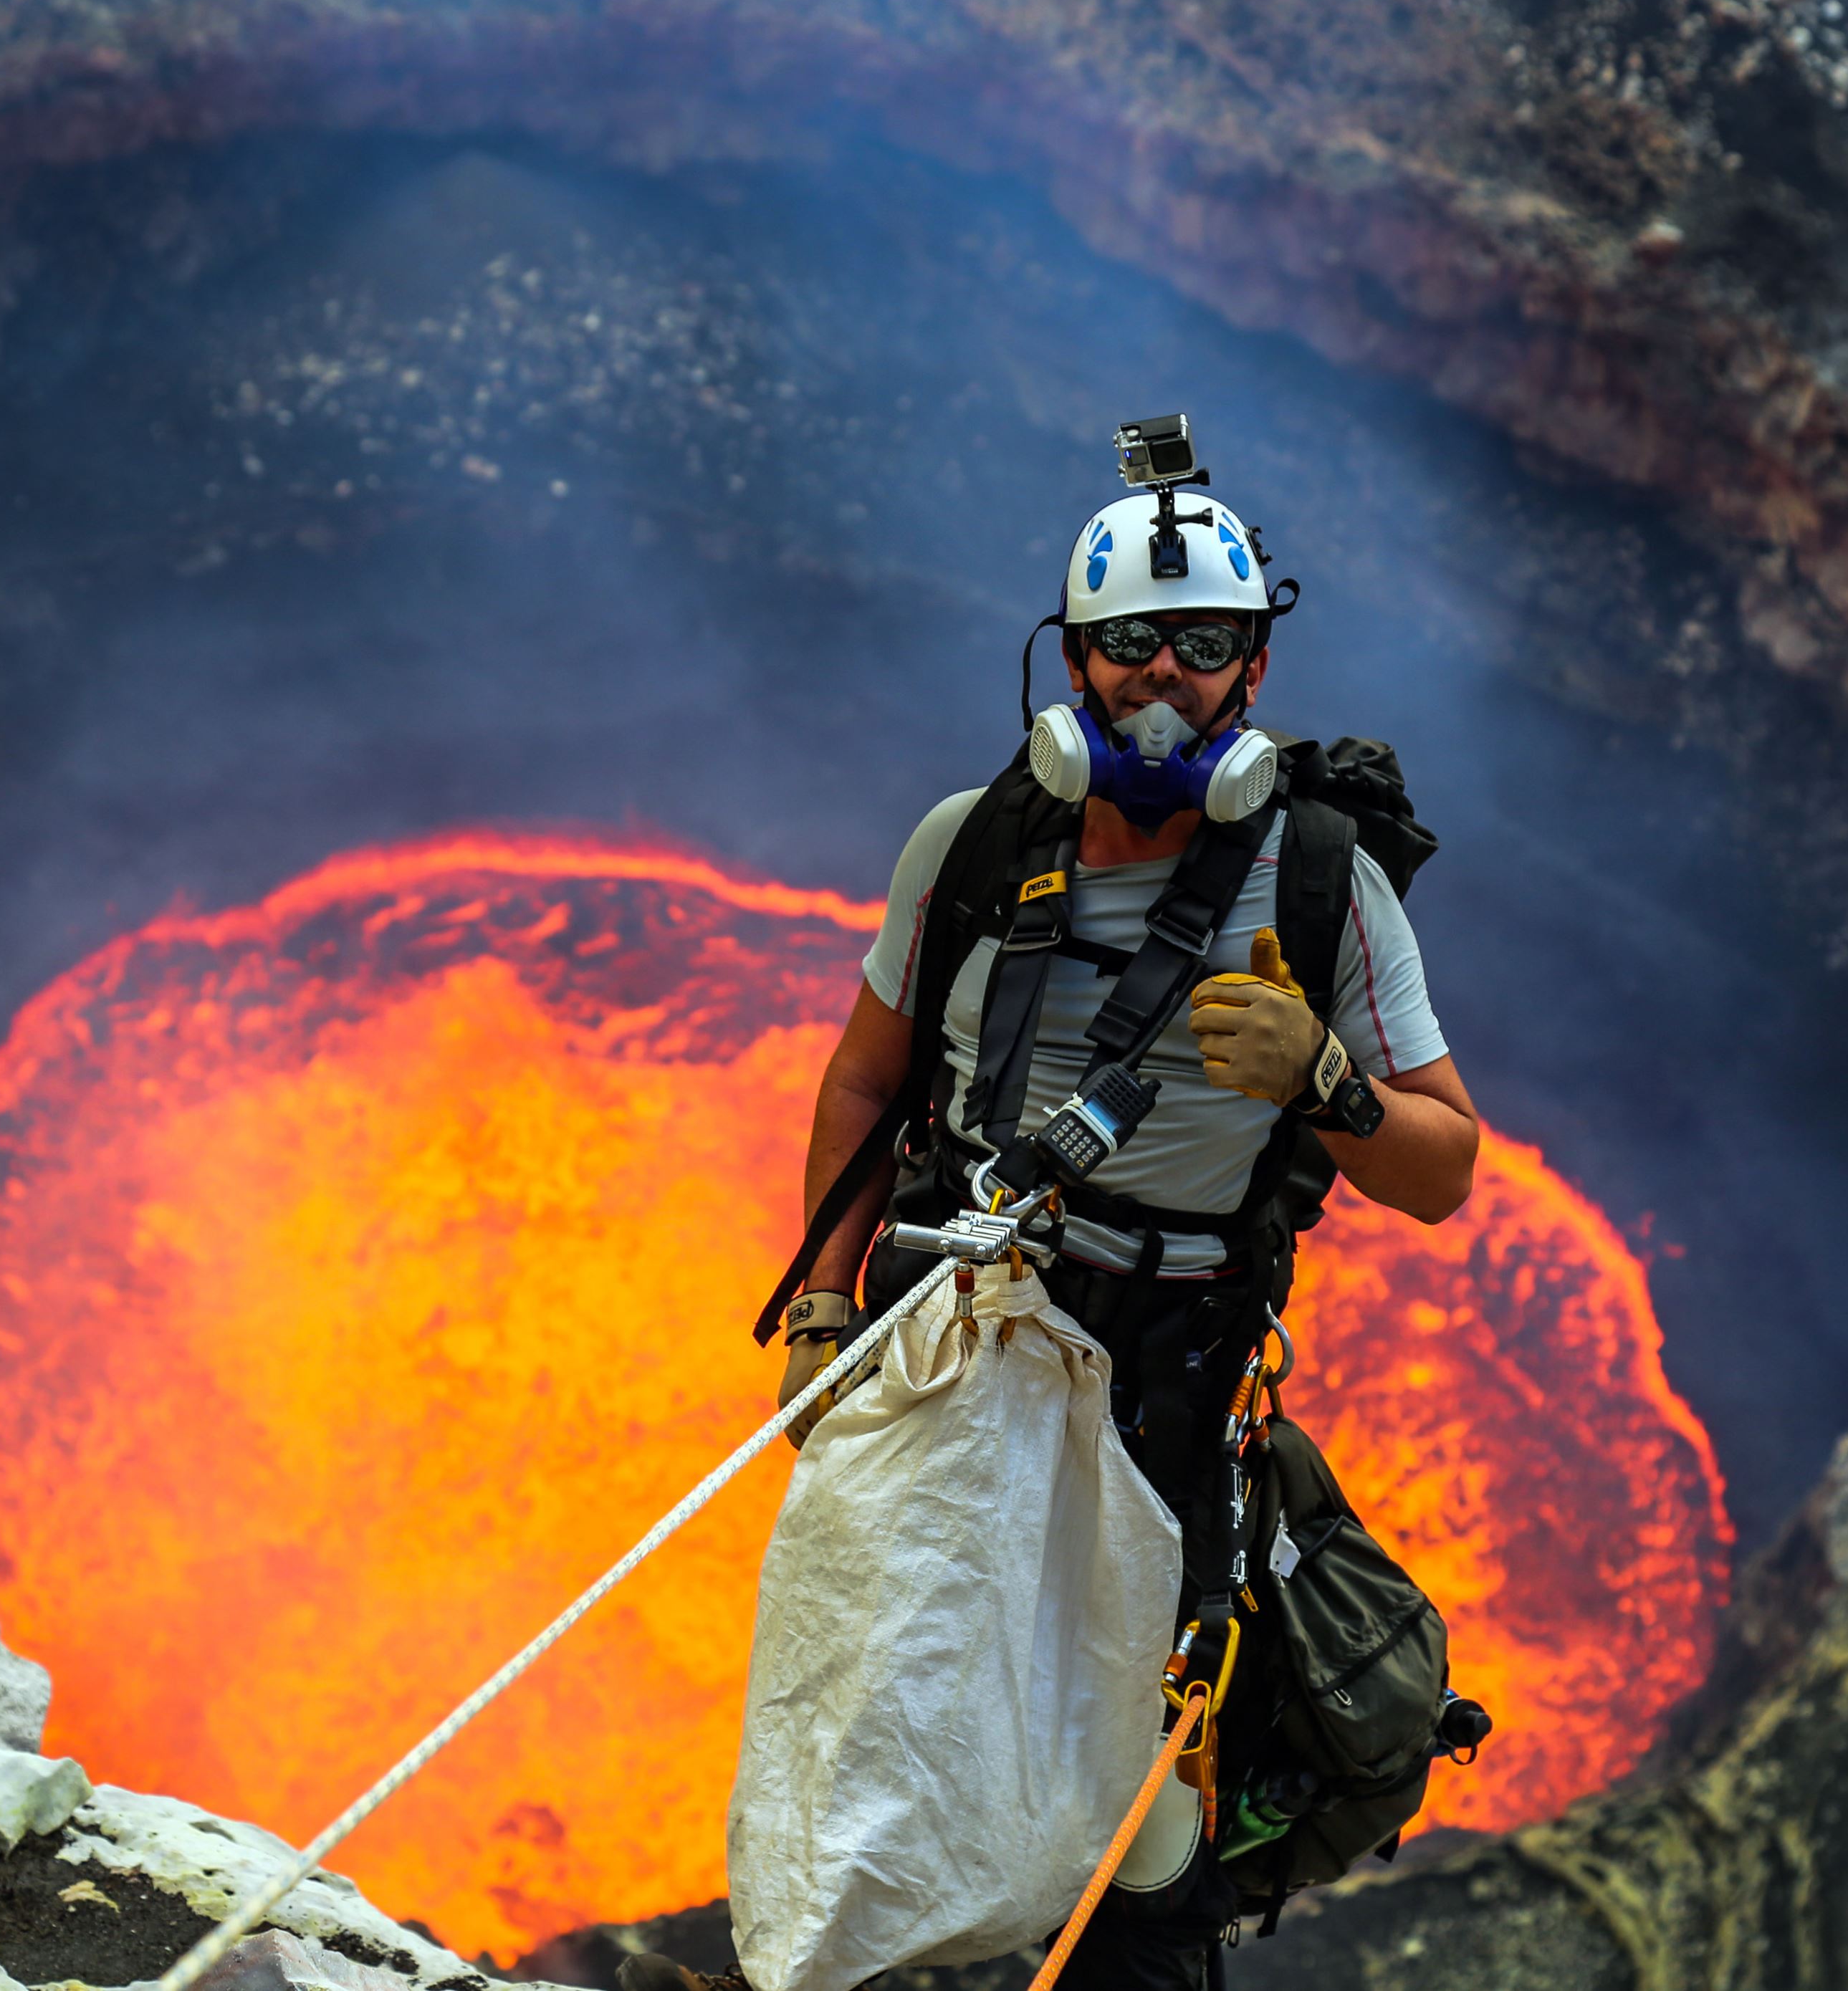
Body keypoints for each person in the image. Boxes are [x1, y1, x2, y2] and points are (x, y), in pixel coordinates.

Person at [626, 476, 1476, 1991]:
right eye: (1131, 645)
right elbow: (866, 1081)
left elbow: (1444, 1166)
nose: (1163, 680)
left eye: (1202, 644)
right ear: (1070, 660)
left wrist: (1326, 1078)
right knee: (883, 1688)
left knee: (1133, 1775)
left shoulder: (1327, 882)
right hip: (952, 1328)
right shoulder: (967, 846)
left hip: (1168, 1374)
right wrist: (824, 1313)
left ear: (1255, 670)